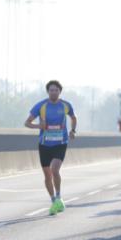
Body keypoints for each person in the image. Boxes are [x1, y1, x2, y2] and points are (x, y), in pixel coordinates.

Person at [25, 80, 77, 215]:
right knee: (47, 175)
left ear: (60, 91)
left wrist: (73, 130)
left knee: (55, 169)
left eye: (56, 90)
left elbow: (73, 117)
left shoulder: (65, 105)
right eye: (51, 90)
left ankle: (59, 196)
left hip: (61, 143)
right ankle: (54, 201)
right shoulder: (41, 106)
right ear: (48, 92)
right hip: (44, 144)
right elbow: (27, 123)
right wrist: (39, 126)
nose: (53, 92)